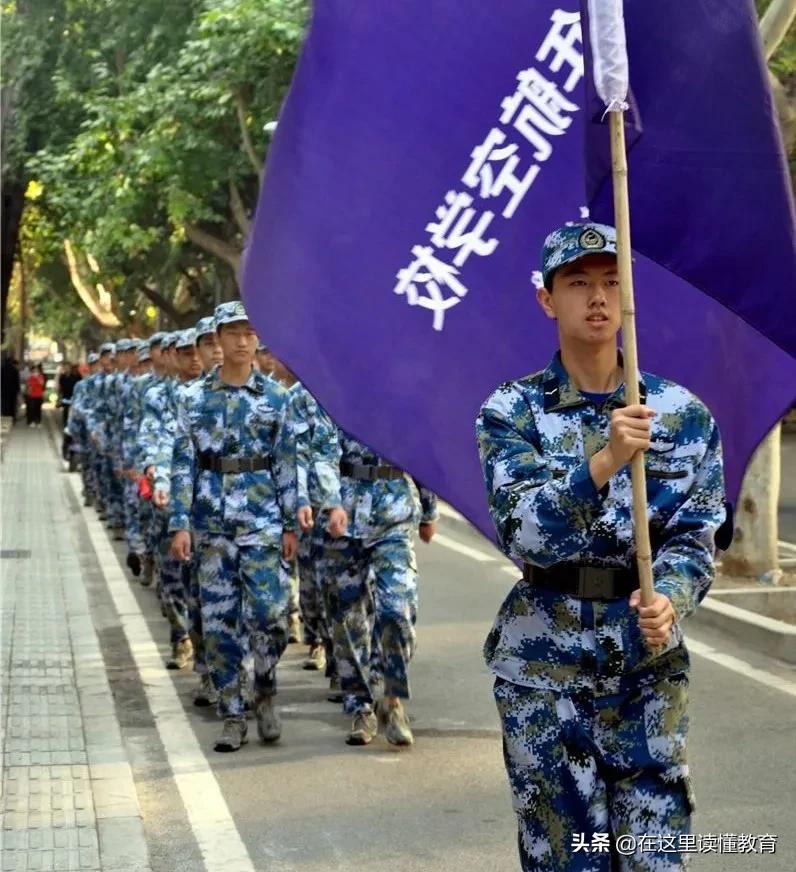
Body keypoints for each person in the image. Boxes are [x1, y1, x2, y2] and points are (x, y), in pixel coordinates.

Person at [476, 223, 726, 872]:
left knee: (653, 856)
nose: (598, 297)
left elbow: (695, 537)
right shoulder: (512, 413)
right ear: (547, 299)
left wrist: (669, 597)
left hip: (645, 665)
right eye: (579, 282)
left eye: (613, 282)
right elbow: (525, 530)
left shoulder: (681, 415)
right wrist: (605, 461)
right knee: (566, 859)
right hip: (544, 665)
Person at [169, 301, 344, 753]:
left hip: (263, 523)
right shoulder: (192, 399)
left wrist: (292, 520)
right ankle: (233, 714)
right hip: (211, 526)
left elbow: (287, 463)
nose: (243, 341)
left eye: (250, 333)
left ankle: (265, 682)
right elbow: (182, 464)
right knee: (220, 624)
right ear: (218, 340)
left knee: (269, 615)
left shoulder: (277, 400)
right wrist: (180, 523)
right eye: (234, 333)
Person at [1, 354, 21, 420]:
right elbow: (17, 380)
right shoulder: (14, 370)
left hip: (4, 391)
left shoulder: (2, 369)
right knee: (12, 404)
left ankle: (5, 417)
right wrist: (18, 390)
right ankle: (12, 417)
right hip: (13, 391)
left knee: (4, 404)